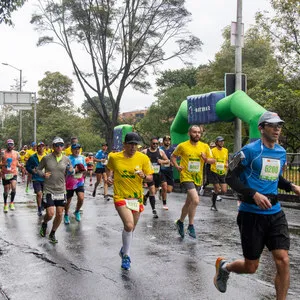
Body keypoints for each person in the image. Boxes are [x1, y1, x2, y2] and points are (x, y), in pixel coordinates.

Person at [214, 111, 300, 299]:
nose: (277, 129)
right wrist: (253, 194)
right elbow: (230, 177)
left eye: (279, 125)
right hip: (251, 214)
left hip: (275, 213)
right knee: (251, 266)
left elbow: (275, 178)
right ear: (261, 128)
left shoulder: (281, 152)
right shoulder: (248, 152)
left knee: (283, 260)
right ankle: (225, 266)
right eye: (272, 125)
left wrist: (292, 186)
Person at [106, 132, 153, 270]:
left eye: (136, 145)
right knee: (128, 225)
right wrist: (109, 177)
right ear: (124, 145)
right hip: (120, 197)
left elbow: (150, 177)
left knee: (132, 228)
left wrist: (144, 175)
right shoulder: (114, 157)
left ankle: (123, 249)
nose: (133, 147)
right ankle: (126, 256)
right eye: (131, 144)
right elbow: (108, 168)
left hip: (136, 198)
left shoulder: (143, 158)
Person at [170, 125, 214, 238]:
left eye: (199, 132)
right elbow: (173, 157)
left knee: (189, 202)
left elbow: (212, 160)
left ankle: (180, 222)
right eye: (194, 132)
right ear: (189, 133)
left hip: (198, 177)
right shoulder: (182, 146)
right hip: (186, 176)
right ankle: (191, 225)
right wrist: (177, 166)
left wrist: (206, 159)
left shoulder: (205, 146)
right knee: (195, 200)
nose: (197, 134)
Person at [37, 137, 73, 244]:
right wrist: (43, 174)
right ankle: (44, 223)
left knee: (59, 214)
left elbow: (71, 170)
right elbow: (38, 169)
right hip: (49, 189)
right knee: (50, 213)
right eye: (56, 145)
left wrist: (72, 170)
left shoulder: (66, 159)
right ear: (53, 147)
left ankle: (52, 233)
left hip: (61, 190)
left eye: (61, 145)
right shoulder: (46, 158)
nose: (59, 147)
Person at [142, 137, 169, 218]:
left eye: (156, 144)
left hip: (157, 174)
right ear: (150, 143)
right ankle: (154, 210)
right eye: (153, 143)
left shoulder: (160, 151)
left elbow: (168, 161)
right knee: (152, 191)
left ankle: (146, 197)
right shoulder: (145, 151)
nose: (155, 145)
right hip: (149, 175)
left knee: (155, 191)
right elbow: (138, 160)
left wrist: (162, 161)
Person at [64, 143, 87, 224]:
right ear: (71, 150)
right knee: (68, 201)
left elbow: (85, 168)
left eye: (78, 149)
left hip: (79, 182)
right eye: (75, 149)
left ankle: (77, 211)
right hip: (69, 183)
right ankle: (66, 214)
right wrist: (74, 170)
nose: (77, 151)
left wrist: (83, 170)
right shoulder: (68, 158)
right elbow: (65, 170)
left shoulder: (82, 158)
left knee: (81, 198)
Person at [26, 142, 47, 216]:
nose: (41, 148)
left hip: (45, 178)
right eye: (39, 147)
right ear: (37, 148)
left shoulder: (47, 156)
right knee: (39, 193)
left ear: (44, 148)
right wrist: (32, 171)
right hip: (36, 178)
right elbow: (27, 166)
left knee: (44, 194)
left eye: (42, 146)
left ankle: (42, 204)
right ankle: (39, 208)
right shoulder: (33, 157)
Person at [1, 139, 21, 212]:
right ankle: (5, 205)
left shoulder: (16, 153)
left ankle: (12, 203)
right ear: (7, 145)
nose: (10, 146)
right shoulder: (3, 153)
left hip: (13, 173)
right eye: (9, 144)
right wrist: (4, 164)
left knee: (13, 187)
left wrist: (21, 166)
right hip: (5, 174)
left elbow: (17, 163)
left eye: (11, 144)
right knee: (6, 191)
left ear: (13, 145)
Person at [209, 136, 228, 211]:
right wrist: (212, 161)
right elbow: (210, 159)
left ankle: (214, 193)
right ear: (216, 142)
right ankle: (213, 205)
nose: (222, 143)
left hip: (222, 172)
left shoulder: (226, 150)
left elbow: (226, 160)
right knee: (217, 188)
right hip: (214, 172)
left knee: (224, 190)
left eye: (223, 141)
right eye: (220, 141)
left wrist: (226, 164)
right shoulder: (212, 150)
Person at [160, 135, 176, 210]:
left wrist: (173, 163)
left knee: (169, 190)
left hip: (170, 171)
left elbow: (174, 158)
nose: (167, 142)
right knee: (165, 187)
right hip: (162, 171)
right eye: (166, 140)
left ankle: (161, 191)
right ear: (163, 141)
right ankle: (164, 203)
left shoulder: (173, 149)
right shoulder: (160, 149)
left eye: (169, 140)